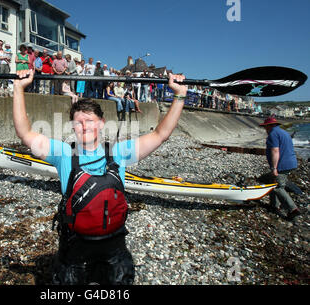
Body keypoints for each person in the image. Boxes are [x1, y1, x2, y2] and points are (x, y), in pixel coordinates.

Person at [12, 69, 188, 284]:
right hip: (75, 248)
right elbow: (25, 133)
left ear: (102, 123)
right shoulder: (64, 154)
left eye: (90, 120)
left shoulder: (119, 152)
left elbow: (161, 134)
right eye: (78, 122)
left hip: (113, 248)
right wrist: (19, 89)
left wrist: (179, 95)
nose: (84, 126)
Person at [260, 117, 301, 220]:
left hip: (282, 164)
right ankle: (274, 205)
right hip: (291, 162)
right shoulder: (284, 133)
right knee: (272, 182)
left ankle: (293, 209)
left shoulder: (273, 134)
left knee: (278, 187)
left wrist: (274, 168)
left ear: (270, 126)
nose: (265, 129)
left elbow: (275, 151)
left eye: (266, 127)